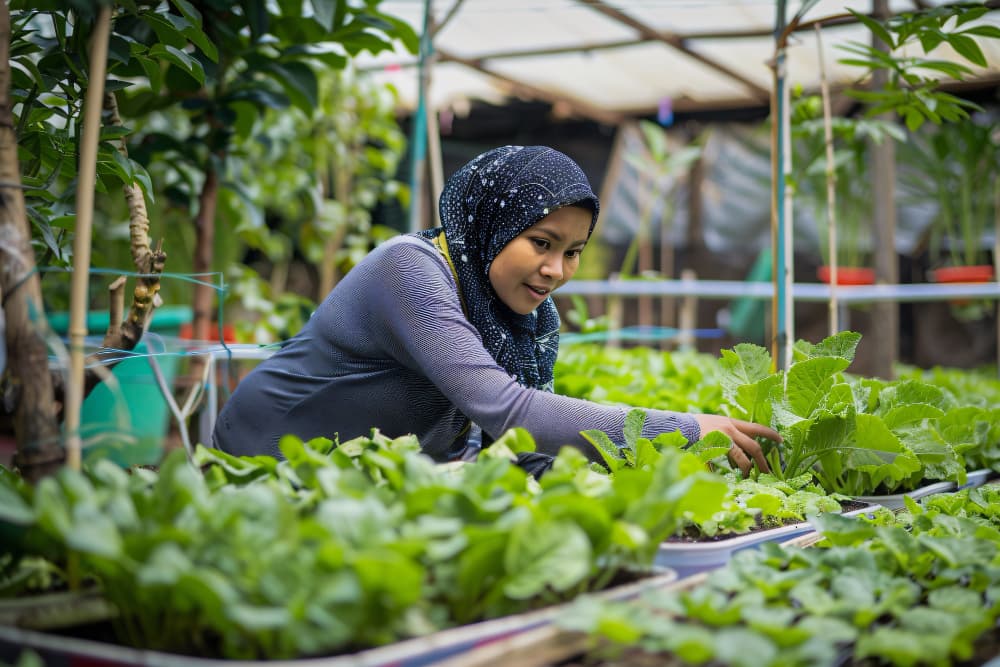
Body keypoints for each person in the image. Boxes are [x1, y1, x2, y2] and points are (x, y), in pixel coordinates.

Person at [213, 145, 779, 476]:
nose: (556, 269)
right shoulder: (409, 272)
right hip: (262, 462)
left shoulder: (528, 317)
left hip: (365, 481)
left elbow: (516, 449)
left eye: (573, 252)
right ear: (494, 226)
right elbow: (510, 412)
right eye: (541, 242)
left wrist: (630, 487)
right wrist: (678, 431)